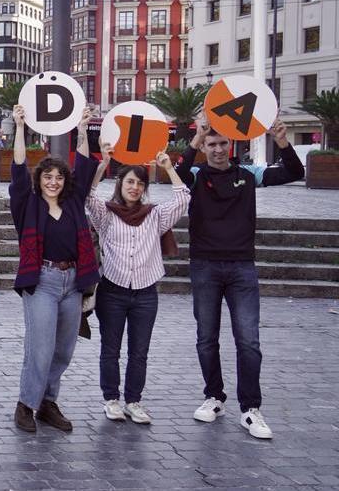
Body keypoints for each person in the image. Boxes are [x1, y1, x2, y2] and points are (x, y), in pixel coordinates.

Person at [176, 114, 303, 439]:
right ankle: (214, 397)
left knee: (249, 341)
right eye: (211, 144)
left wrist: (282, 141)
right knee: (207, 339)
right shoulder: (193, 175)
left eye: (222, 143)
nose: (218, 149)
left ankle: (250, 408)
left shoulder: (248, 174)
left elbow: (294, 172)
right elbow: (173, 176)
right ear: (204, 146)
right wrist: (195, 137)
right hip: (204, 265)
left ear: (230, 144)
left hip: (241, 267)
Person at [8, 105, 100, 433]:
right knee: (41, 347)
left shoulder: (74, 203)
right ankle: (25, 404)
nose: (54, 181)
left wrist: (83, 130)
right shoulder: (27, 204)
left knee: (63, 350)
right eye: (48, 176)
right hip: (42, 281)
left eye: (59, 177)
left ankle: (47, 402)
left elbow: (86, 167)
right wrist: (20, 125)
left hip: (73, 282)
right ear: (40, 180)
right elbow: (18, 168)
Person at [86, 144, 189, 424]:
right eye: (130, 181)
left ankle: (134, 400)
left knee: (139, 351)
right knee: (111, 348)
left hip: (145, 293)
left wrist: (168, 167)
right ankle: (112, 399)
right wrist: (101, 165)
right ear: (120, 184)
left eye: (140, 183)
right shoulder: (106, 214)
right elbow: (89, 195)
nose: (134, 187)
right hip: (113, 290)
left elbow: (182, 200)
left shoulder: (155, 215)